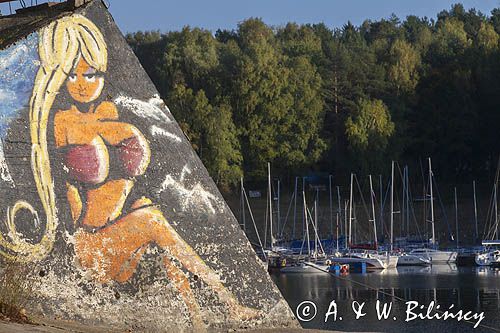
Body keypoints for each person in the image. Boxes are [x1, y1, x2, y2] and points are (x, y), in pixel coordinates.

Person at [2, 14, 258, 328]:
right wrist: (119, 130)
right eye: (73, 75)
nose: (83, 84)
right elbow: (101, 139)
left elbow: (115, 135)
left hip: (118, 238)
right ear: (59, 75)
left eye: (92, 74)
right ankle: (230, 304)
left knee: (148, 216)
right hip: (90, 248)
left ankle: (196, 321)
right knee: (151, 220)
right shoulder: (61, 122)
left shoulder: (110, 110)